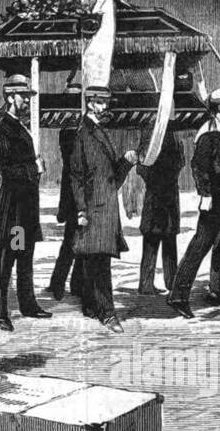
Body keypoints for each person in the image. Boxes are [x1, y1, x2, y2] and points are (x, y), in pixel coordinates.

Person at [167, 87, 220, 318]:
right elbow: (198, 167)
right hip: (216, 199)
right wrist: (206, 194)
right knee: (200, 246)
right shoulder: (210, 133)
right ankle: (178, 296)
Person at [70, 85, 138, 333]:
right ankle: (108, 314)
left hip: (105, 207)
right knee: (99, 263)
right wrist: (80, 210)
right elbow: (76, 177)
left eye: (105, 102)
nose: (104, 107)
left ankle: (91, 306)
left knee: (95, 260)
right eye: (100, 103)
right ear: (90, 104)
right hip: (93, 209)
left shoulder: (98, 131)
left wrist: (126, 163)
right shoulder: (83, 134)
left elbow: (111, 179)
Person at [0, 75, 50, 330]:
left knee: (26, 257)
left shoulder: (20, 127)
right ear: (10, 97)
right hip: (14, 208)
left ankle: (28, 304)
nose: (26, 101)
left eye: (27, 97)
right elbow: (8, 171)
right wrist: (34, 167)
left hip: (26, 207)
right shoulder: (3, 129)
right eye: (23, 96)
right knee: (7, 261)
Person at [135, 118, 184, 296]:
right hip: (156, 196)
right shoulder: (150, 130)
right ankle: (147, 285)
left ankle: (172, 283)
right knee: (152, 240)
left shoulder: (171, 131)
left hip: (168, 195)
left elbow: (181, 160)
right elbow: (142, 166)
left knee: (168, 239)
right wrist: (155, 179)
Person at [48, 82, 85, 302]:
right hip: (72, 194)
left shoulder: (76, 128)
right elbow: (73, 162)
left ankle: (73, 283)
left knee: (79, 241)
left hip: (78, 193)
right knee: (72, 242)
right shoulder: (69, 130)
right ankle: (59, 283)